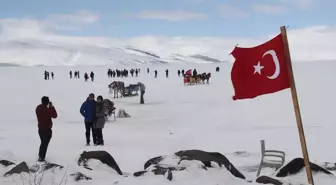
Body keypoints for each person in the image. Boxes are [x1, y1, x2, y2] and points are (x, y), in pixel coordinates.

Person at [35, 96, 58, 162]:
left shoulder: (38, 108)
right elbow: (55, 115)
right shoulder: (47, 109)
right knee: (44, 144)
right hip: (47, 129)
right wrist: (51, 107)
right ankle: (41, 158)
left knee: (43, 143)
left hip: (40, 129)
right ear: (47, 102)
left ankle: (40, 156)